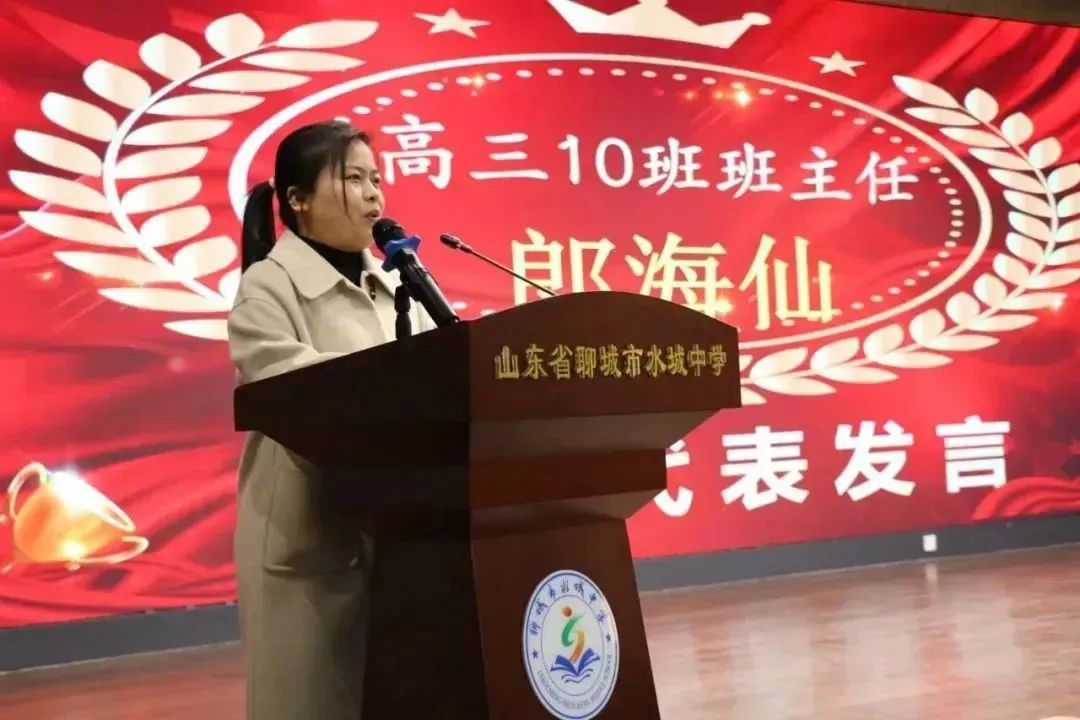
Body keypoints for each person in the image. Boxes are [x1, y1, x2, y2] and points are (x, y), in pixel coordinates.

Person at [227, 120, 433, 720]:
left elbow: (444, 375)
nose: (374, 195)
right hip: (309, 531)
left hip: (402, 532)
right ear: (298, 199)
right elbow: (295, 388)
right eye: (354, 179)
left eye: (377, 180)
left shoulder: (397, 282)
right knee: (309, 701)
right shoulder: (266, 288)